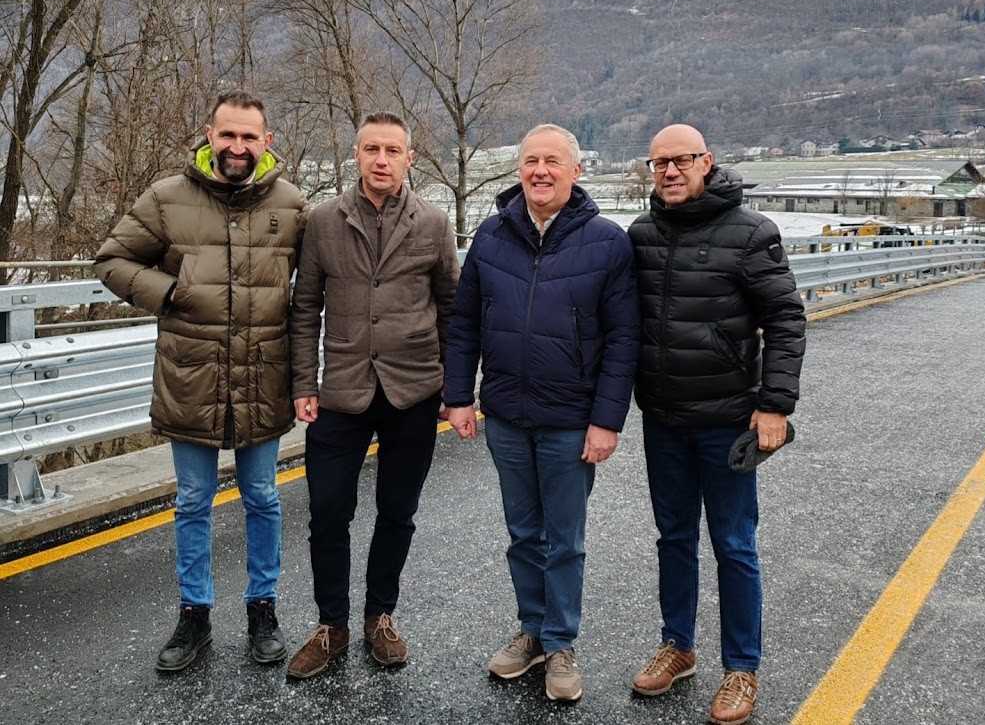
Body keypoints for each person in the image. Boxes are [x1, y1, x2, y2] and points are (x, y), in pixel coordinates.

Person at [94, 91, 308, 671]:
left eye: (249, 137)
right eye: (227, 135)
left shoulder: (291, 205)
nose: (237, 147)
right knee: (193, 501)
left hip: (263, 376)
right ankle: (195, 616)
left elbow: (316, 286)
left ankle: (263, 608)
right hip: (191, 376)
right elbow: (112, 260)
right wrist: (169, 293)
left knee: (263, 498)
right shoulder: (166, 198)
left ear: (267, 143)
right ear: (209, 136)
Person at [443, 123, 639, 703]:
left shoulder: (607, 242)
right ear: (519, 170)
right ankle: (530, 630)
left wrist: (607, 421)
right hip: (506, 414)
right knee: (523, 533)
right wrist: (459, 396)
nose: (540, 171)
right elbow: (464, 325)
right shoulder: (491, 236)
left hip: (571, 421)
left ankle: (560, 644)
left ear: (575, 172)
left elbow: (624, 340)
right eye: (531, 161)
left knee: (566, 539)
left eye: (553, 161)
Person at [626, 124, 806, 725]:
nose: (670, 172)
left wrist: (775, 404)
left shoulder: (752, 233)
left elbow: (785, 320)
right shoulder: (642, 234)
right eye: (659, 165)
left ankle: (741, 669)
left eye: (680, 161)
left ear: (707, 162)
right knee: (673, 537)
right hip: (663, 417)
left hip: (728, 420)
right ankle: (678, 646)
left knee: (733, 544)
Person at [285, 111, 460, 680]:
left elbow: (452, 309)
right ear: (355, 155)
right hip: (341, 389)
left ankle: (380, 616)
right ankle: (331, 623)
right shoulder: (322, 221)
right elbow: (304, 306)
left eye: (393, 150)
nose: (381, 159)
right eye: (371, 149)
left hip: (413, 389)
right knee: (328, 511)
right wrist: (302, 385)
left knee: (398, 512)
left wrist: (456, 388)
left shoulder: (434, 223)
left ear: (410, 158)